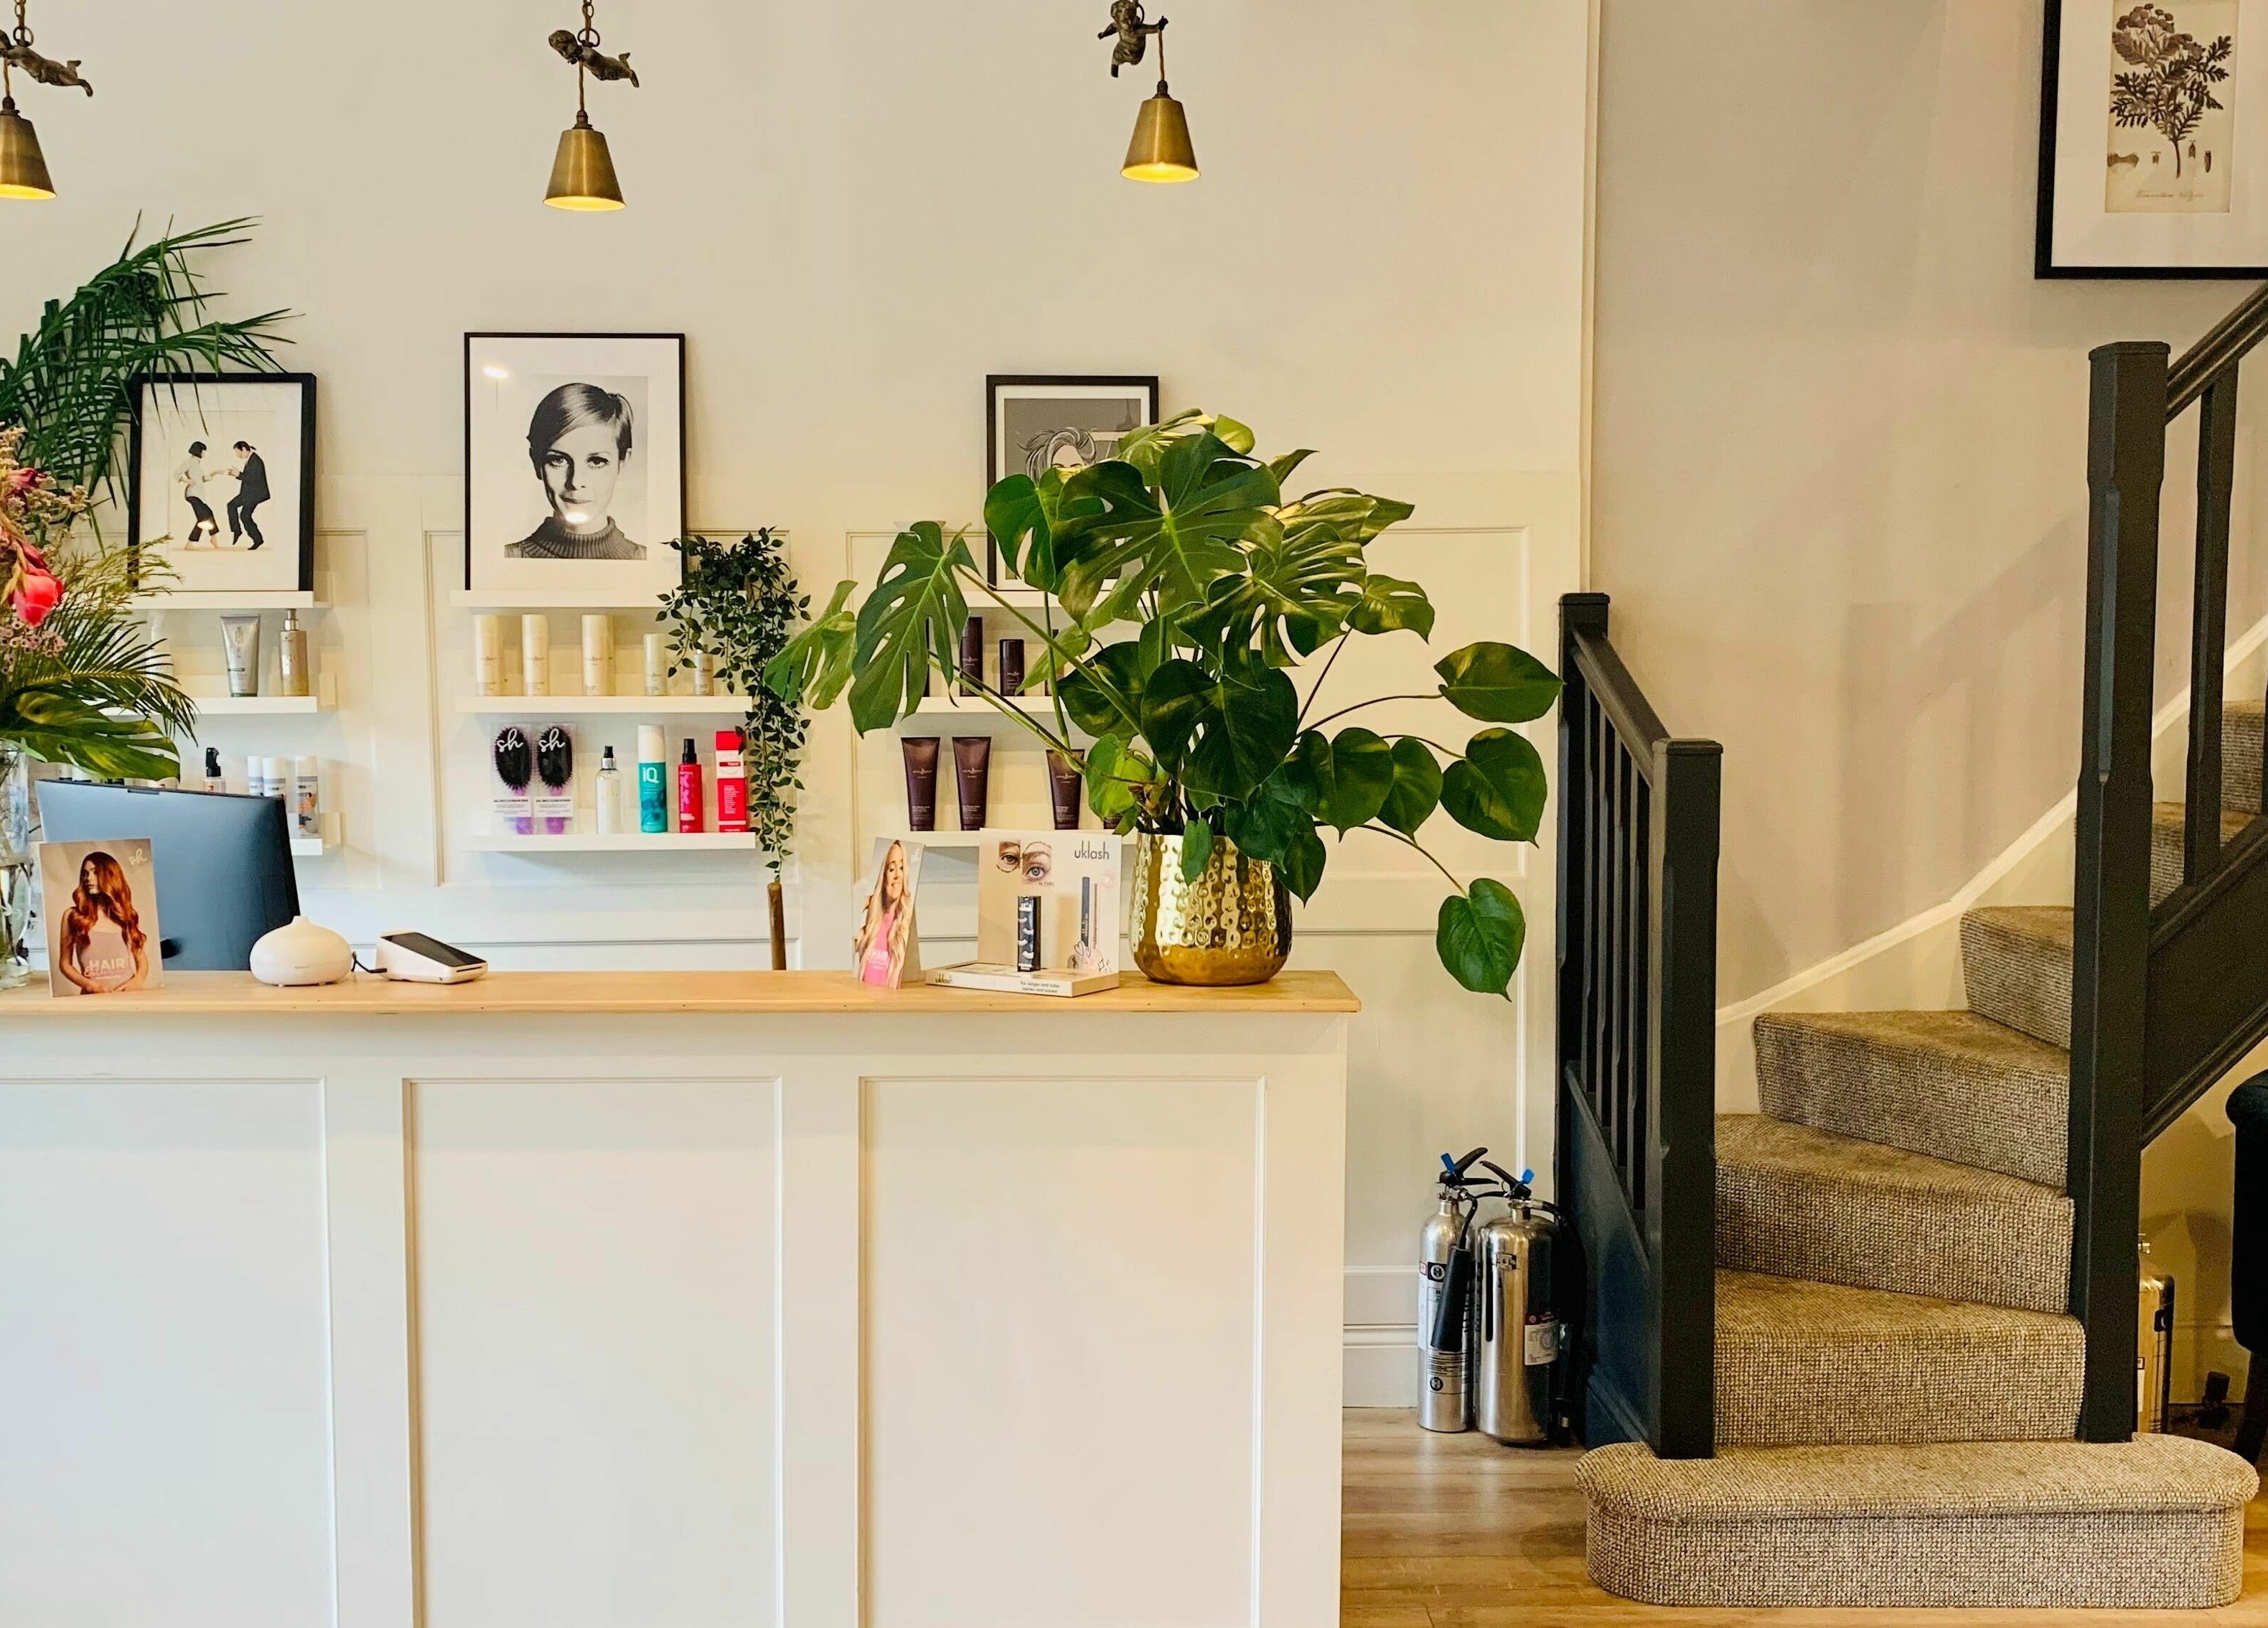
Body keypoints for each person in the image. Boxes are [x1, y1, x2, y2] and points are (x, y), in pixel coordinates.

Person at [506, 383, 647, 560]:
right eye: (558, 460)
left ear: (622, 463)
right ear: (537, 463)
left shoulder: (649, 560)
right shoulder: (508, 558)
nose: (576, 482)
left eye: (597, 462)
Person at [55, 851, 151, 995]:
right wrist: (90, 986)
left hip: (129, 996)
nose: (88, 878)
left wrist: (138, 981)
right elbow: (65, 964)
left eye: (96, 872)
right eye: (85, 874)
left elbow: (141, 959)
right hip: (93, 998)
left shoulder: (126, 915)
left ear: (110, 875)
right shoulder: (73, 916)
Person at [853, 840, 914, 987]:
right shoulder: (868, 929)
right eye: (892, 869)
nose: (897, 875)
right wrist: (865, 904)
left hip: (894, 1000)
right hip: (864, 997)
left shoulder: (906, 926)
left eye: (901, 868)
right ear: (884, 876)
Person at [174, 440, 220, 546]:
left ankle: (213, 538)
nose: (205, 453)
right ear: (199, 451)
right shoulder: (189, 461)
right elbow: (176, 473)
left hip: (199, 494)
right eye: (204, 450)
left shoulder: (197, 463)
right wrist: (187, 480)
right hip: (192, 494)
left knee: (208, 513)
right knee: (202, 518)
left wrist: (214, 473)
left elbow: (201, 479)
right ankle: (191, 543)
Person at [225, 439, 270, 551]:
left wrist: (239, 474)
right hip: (249, 493)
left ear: (244, 449)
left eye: (238, 452)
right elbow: (249, 477)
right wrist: (237, 475)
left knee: (243, 514)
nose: (237, 455)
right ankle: (240, 532)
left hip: (255, 494)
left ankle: (253, 538)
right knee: (236, 509)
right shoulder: (251, 459)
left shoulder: (256, 461)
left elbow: (252, 480)